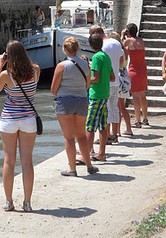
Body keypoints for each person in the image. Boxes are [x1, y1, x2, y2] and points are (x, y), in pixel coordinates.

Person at [0, 40, 41, 212]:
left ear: (9, 56)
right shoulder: (36, 70)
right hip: (28, 119)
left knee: (9, 161)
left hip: (9, 119)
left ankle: (9, 202)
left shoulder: (7, 75)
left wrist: (0, 66)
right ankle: (27, 203)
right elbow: (32, 90)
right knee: (27, 161)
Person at [50, 36, 99, 176]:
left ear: (64, 49)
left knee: (69, 137)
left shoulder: (62, 66)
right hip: (82, 101)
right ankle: (89, 166)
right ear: (77, 48)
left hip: (65, 102)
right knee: (81, 136)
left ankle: (72, 168)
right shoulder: (85, 65)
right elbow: (88, 85)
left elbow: (54, 89)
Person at [89, 25, 123, 143]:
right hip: (115, 80)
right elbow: (121, 61)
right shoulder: (116, 42)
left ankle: (107, 135)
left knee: (106, 111)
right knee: (114, 108)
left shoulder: (101, 50)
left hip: (104, 84)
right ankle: (115, 133)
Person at [85, 32, 114, 162]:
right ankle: (101, 153)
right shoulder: (106, 57)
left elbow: (95, 78)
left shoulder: (96, 57)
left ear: (91, 45)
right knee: (103, 125)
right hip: (105, 93)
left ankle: (85, 154)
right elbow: (112, 77)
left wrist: (86, 80)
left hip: (96, 94)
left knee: (89, 125)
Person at [121, 23, 148, 128]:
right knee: (142, 94)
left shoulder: (129, 41)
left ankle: (138, 120)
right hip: (142, 69)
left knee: (135, 95)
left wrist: (122, 36)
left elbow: (121, 47)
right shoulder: (141, 41)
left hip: (133, 69)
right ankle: (145, 118)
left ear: (128, 32)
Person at [108, 32, 133, 136]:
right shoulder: (124, 50)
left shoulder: (118, 51)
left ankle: (116, 130)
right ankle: (128, 128)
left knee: (116, 107)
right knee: (122, 107)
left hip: (118, 79)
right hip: (124, 78)